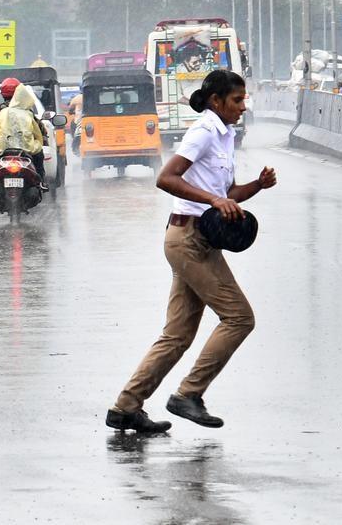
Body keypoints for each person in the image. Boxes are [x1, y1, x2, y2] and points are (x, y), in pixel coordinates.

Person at [106, 69, 277, 434]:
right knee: (239, 318)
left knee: (178, 335)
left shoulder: (225, 137)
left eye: (244, 100)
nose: (242, 107)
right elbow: (166, 177)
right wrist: (213, 198)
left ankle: (125, 408)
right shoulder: (203, 133)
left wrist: (257, 187)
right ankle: (189, 394)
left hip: (198, 238)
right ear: (216, 101)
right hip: (189, 240)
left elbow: (227, 196)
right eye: (237, 100)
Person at [0, 83, 49, 191]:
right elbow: (39, 131)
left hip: (3, 146)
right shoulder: (28, 112)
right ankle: (41, 180)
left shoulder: (0, 111)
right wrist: (41, 140)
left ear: (3, 94)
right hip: (26, 147)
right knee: (39, 154)